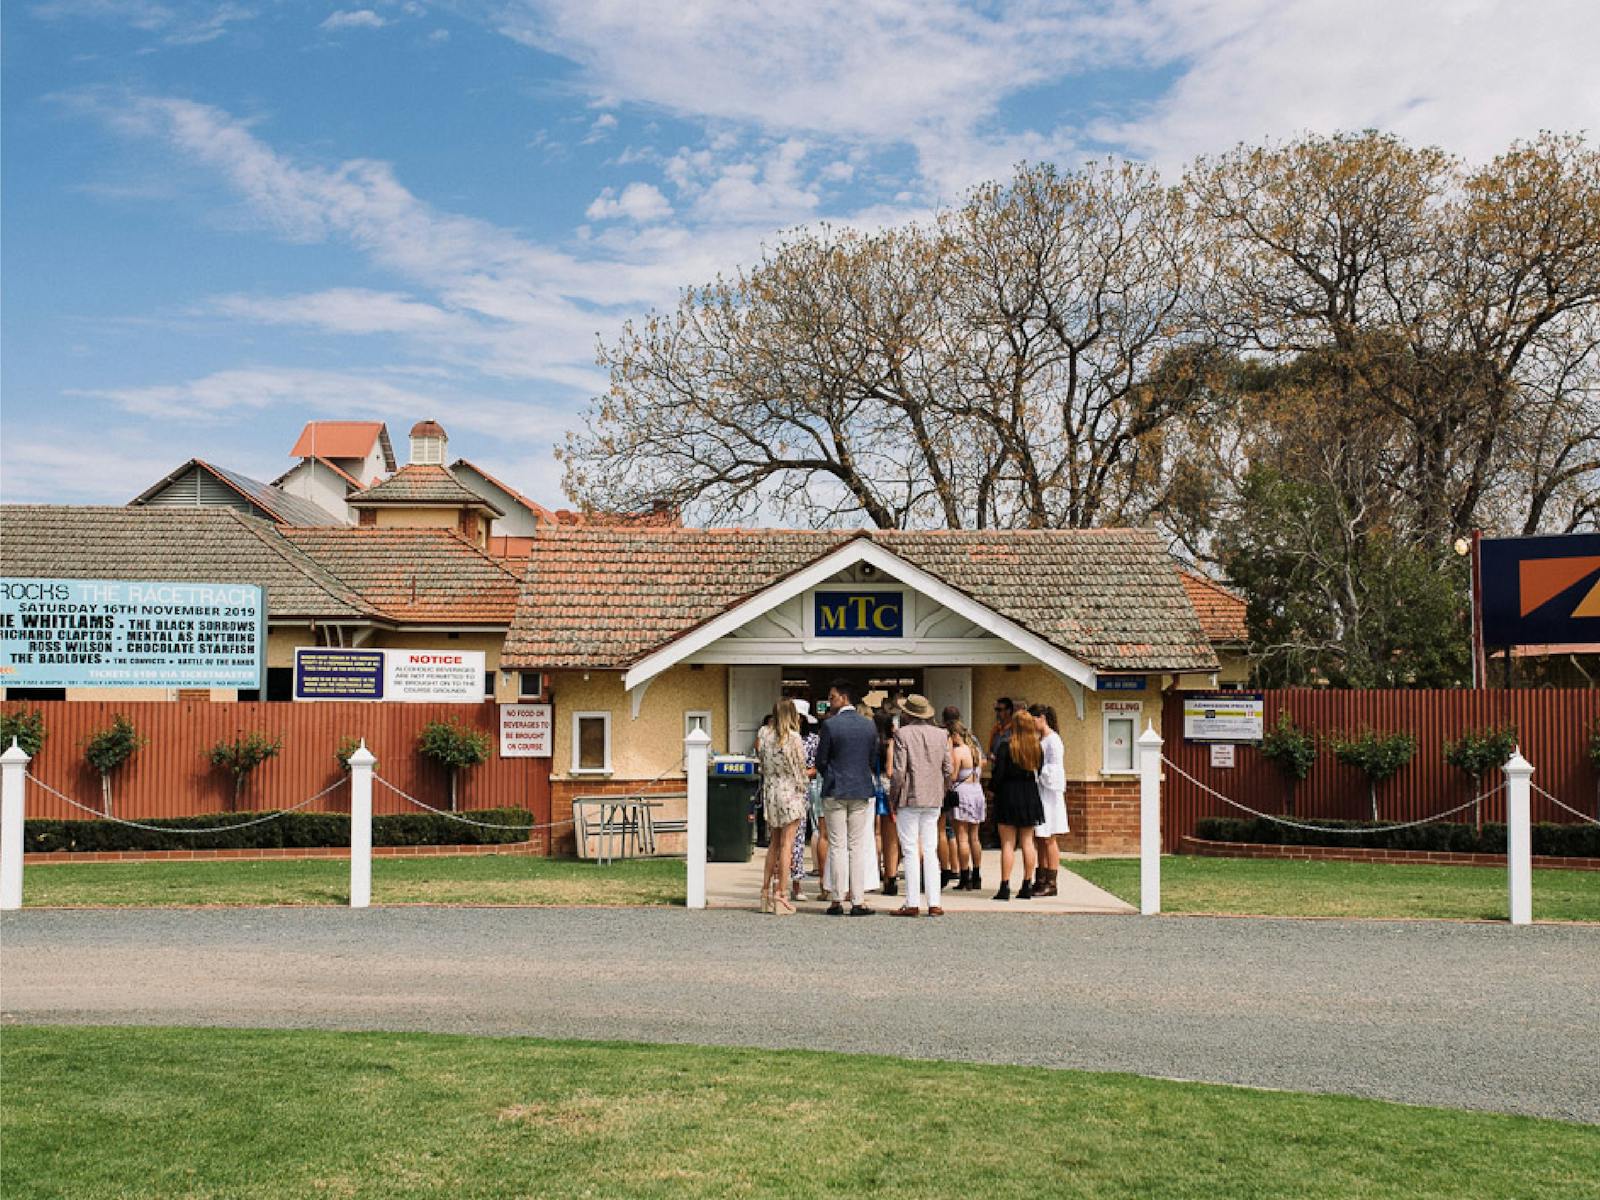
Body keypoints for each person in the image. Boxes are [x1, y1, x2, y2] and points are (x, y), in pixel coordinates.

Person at [815, 678, 880, 915]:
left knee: (837, 844)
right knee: (857, 845)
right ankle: (858, 900)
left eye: (832, 697)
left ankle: (837, 899)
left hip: (835, 788)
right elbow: (873, 758)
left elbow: (821, 760)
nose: (829, 702)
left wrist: (830, 774)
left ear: (843, 698)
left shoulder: (831, 726)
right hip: (860, 787)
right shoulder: (868, 726)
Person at [887, 695, 954, 917]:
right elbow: (947, 769)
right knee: (930, 849)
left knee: (910, 850)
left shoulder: (902, 734)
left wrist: (893, 797)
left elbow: (898, 772)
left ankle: (912, 902)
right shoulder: (941, 734)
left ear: (908, 714)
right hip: (933, 797)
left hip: (909, 796)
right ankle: (934, 902)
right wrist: (942, 791)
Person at [754, 699, 808, 915]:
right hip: (789, 791)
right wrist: (803, 790)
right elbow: (800, 769)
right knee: (787, 844)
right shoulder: (793, 738)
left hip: (771, 791)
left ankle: (765, 891)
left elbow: (762, 762)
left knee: (773, 843)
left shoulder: (763, 734)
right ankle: (782, 894)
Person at [990, 709, 1044, 900]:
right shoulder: (1037, 747)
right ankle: (1027, 885)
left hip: (1009, 794)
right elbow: (1040, 769)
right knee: (1028, 842)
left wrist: (993, 788)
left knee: (1007, 843)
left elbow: (998, 775)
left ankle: (1005, 886)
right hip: (1029, 793)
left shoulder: (1006, 747)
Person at [1028, 702, 1068, 897]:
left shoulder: (1053, 740)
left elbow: (1054, 769)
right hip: (1040, 792)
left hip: (1050, 794)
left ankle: (1051, 882)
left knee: (1049, 838)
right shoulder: (1040, 739)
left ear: (1041, 718)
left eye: (1032, 720)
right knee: (1040, 838)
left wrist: (1038, 770)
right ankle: (1041, 877)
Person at [946, 718, 985, 891]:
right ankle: (977, 874)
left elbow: (953, 776)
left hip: (962, 793)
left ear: (955, 735)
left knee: (962, 836)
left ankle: (965, 875)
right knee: (974, 837)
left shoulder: (958, 752)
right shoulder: (975, 750)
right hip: (976, 790)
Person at [872, 706, 900, 897]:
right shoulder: (892, 743)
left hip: (871, 786)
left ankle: (874, 872)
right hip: (888, 788)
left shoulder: (871, 743)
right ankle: (891, 877)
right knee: (891, 837)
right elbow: (890, 771)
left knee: (875, 834)